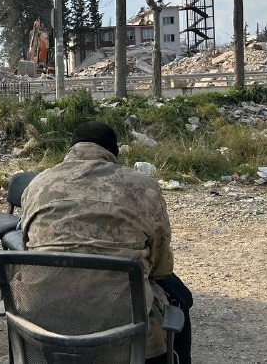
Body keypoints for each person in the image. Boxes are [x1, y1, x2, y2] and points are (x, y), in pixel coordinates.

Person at [20, 120, 192, 364]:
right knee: (180, 297)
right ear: (113, 152)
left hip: (44, 326)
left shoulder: (37, 185)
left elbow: (28, 249)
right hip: (124, 334)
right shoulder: (143, 187)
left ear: (71, 149)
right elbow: (161, 267)